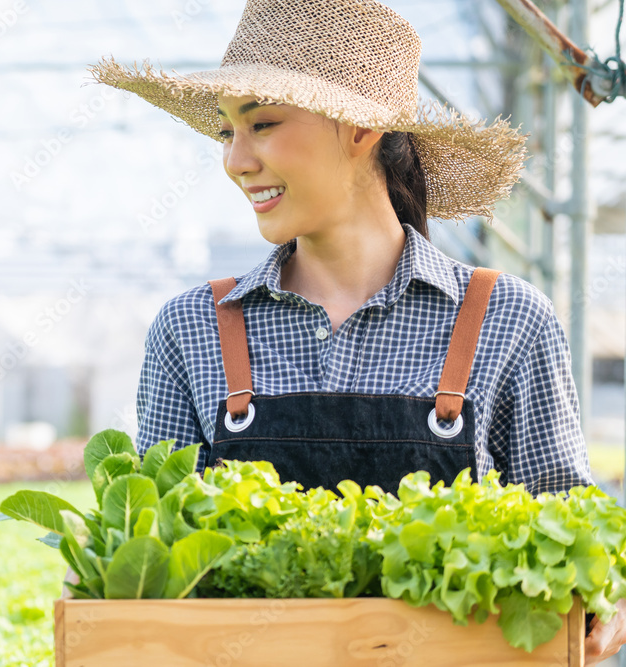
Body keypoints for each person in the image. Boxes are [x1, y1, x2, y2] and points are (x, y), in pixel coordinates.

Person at [72, 0, 625, 660]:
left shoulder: (507, 320)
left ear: (362, 126)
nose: (235, 160)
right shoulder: (191, 330)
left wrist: (603, 598)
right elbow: (152, 563)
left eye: (263, 123)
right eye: (226, 132)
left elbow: (567, 530)